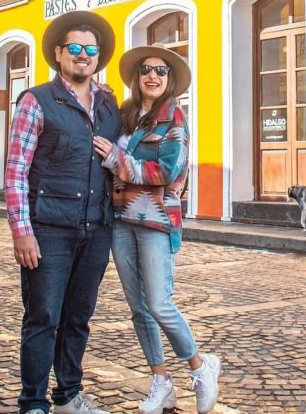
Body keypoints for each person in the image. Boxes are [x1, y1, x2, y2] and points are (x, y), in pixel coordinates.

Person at [92, 44, 221, 414]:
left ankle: (200, 365)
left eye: (161, 71)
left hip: (156, 221)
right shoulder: (126, 116)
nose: (152, 76)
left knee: (160, 304)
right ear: (137, 76)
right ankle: (161, 381)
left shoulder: (174, 119)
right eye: (146, 69)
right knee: (138, 308)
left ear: (169, 80)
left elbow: (167, 172)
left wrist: (119, 160)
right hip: (121, 220)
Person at [5, 10, 120, 414]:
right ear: (59, 53)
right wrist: (22, 231)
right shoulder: (36, 101)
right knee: (43, 317)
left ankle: (69, 394)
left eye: (91, 50)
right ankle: (33, 403)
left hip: (96, 227)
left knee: (78, 318)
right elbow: (16, 169)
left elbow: (122, 154)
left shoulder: (108, 104)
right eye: (75, 48)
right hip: (49, 228)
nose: (84, 55)